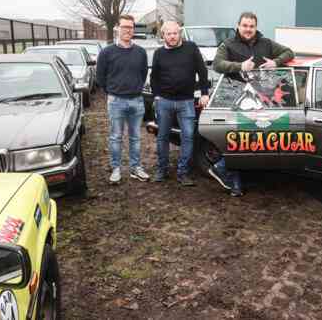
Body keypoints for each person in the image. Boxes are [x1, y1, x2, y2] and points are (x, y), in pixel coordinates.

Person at [211, 11, 295, 196]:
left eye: (251, 26)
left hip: (262, 98)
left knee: (257, 137)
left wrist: (276, 62)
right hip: (237, 97)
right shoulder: (228, 44)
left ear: (256, 27)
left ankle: (223, 167)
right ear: (238, 26)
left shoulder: (266, 44)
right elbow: (217, 64)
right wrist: (239, 66)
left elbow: (289, 52)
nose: (248, 29)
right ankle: (233, 180)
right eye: (245, 26)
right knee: (238, 140)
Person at [150, 21, 209, 186]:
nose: (172, 36)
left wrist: (205, 93)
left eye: (175, 33)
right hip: (164, 102)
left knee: (188, 136)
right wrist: (156, 96)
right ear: (164, 36)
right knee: (162, 137)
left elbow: (202, 71)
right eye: (168, 34)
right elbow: (154, 77)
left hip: (186, 101)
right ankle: (162, 169)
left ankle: (183, 172)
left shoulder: (191, 48)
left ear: (179, 33)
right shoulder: (159, 53)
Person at [97, 14, 150, 184]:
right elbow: (100, 77)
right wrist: (113, 91)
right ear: (117, 28)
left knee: (135, 137)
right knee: (115, 137)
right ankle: (116, 169)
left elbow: (143, 74)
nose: (128, 30)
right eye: (125, 27)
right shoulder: (107, 52)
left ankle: (135, 168)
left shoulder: (140, 52)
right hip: (116, 101)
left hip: (136, 100)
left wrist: (134, 88)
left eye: (131, 27)